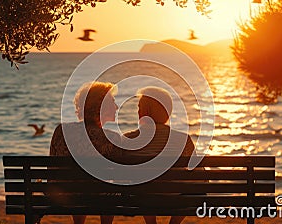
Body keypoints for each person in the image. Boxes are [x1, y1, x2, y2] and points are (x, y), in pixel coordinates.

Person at [49, 81, 121, 224]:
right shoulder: (112, 138)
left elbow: (52, 170)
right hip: (101, 197)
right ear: (102, 106)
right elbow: (120, 175)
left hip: (66, 196)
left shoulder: (62, 131)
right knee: (111, 188)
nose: (117, 107)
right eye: (113, 102)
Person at [123, 86, 195, 224]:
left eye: (139, 108)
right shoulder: (183, 139)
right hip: (174, 197)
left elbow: (122, 172)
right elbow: (197, 172)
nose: (138, 112)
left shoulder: (128, 139)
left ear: (145, 111)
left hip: (142, 198)